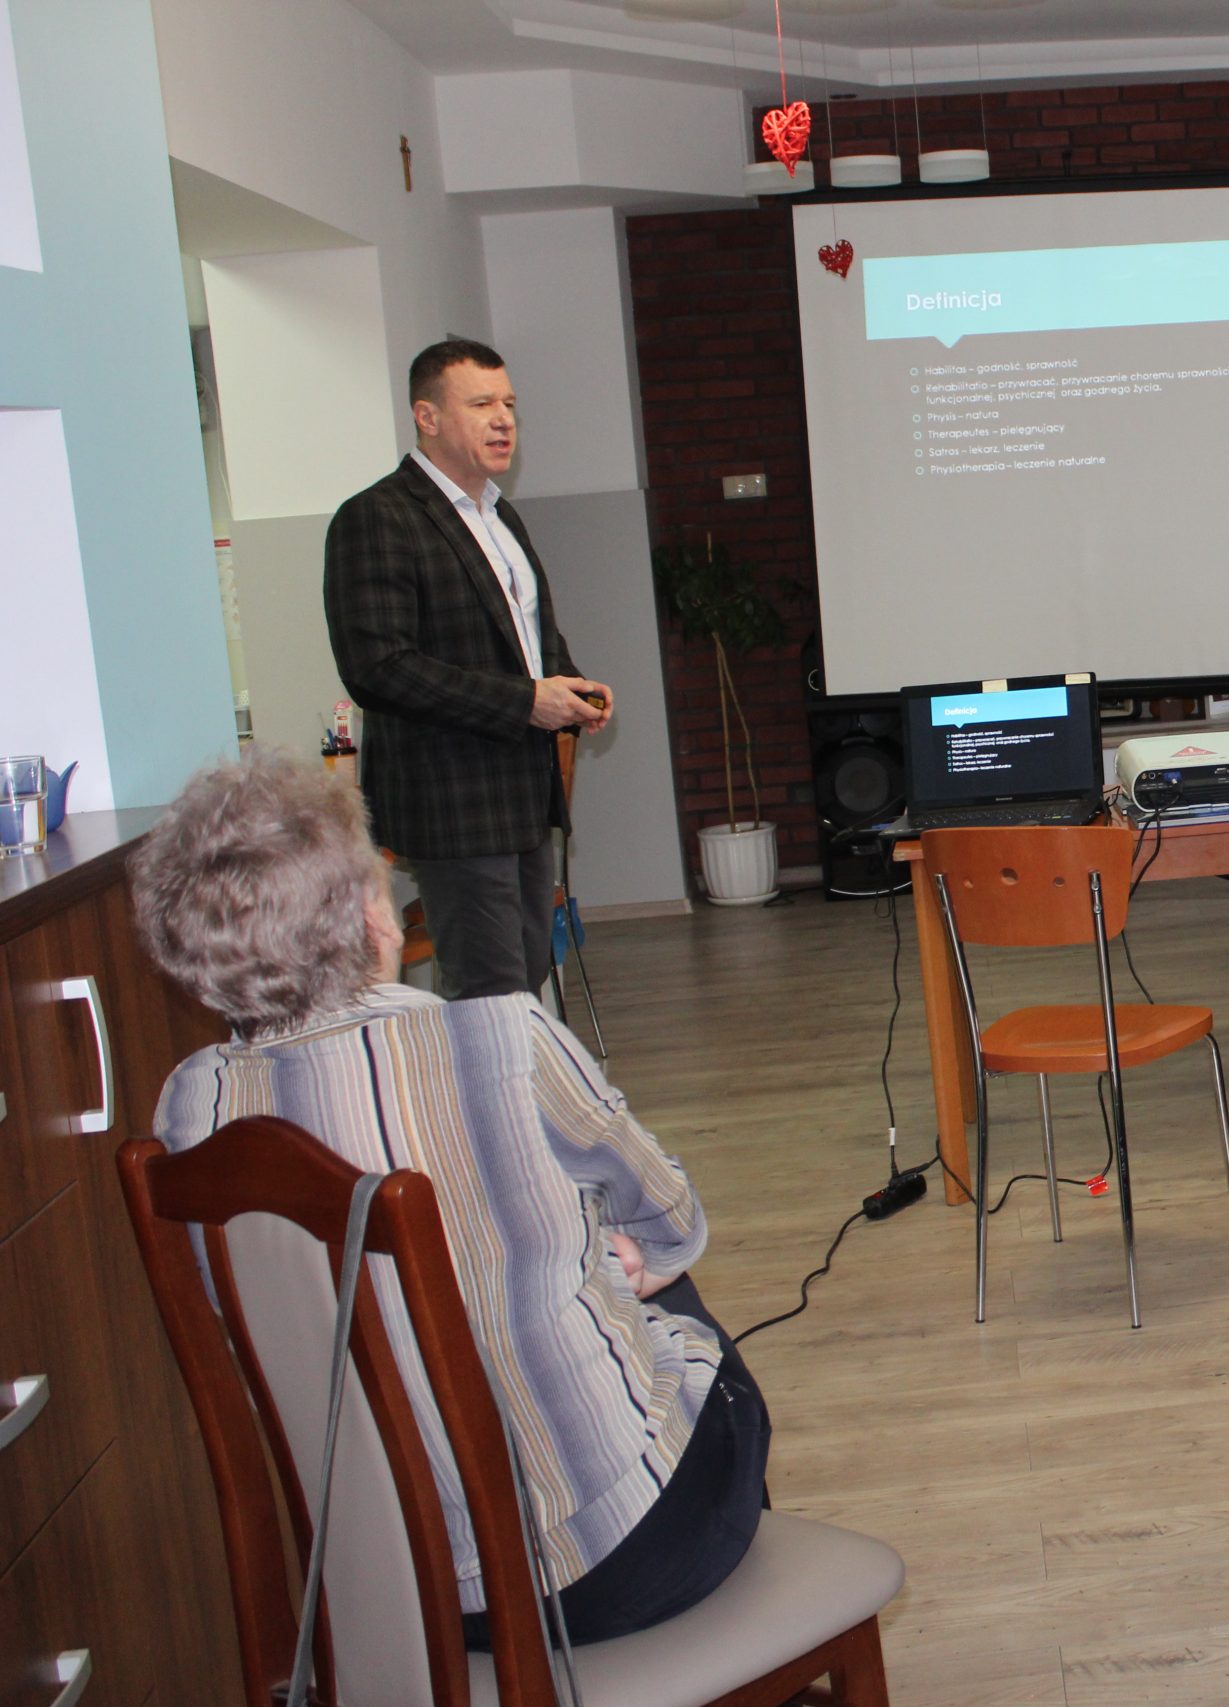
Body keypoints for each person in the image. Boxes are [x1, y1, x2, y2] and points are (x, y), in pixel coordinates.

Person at [133, 750, 761, 1647]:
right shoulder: (498, 1035)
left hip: (398, 1597)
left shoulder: (189, 1105)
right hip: (612, 1559)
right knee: (679, 1306)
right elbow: (673, 1220)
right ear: (365, 912)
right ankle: (735, 1656)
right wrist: (615, 1255)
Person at [324, 339, 611, 1001]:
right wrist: (522, 702)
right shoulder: (378, 517)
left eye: (509, 403)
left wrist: (570, 684)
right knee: (490, 988)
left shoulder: (499, 514)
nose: (503, 418)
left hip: (523, 790)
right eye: (481, 403)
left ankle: (516, 1101)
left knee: (528, 971)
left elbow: (528, 638)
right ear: (427, 417)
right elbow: (378, 667)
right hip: (451, 797)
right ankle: (488, 1106)